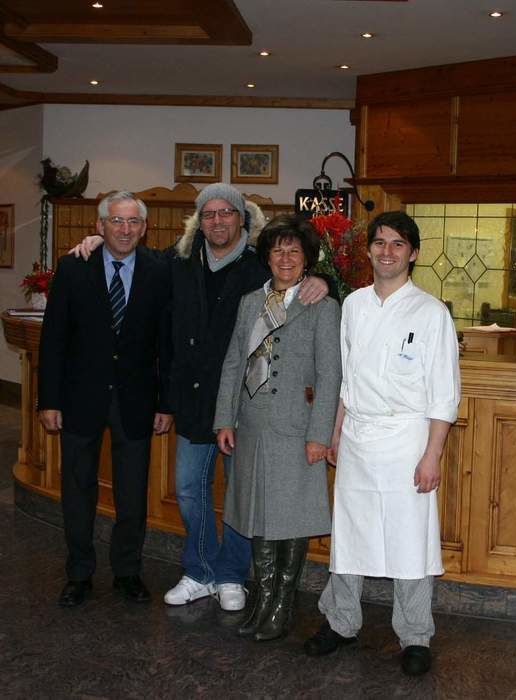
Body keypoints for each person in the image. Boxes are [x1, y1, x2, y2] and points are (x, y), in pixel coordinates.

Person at [71, 183, 330, 612]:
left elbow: (296, 278)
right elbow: (129, 252)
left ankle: (231, 576)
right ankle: (201, 570)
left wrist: (321, 280)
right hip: (192, 402)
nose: (217, 220)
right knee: (190, 490)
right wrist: (99, 242)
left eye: (226, 212)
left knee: (239, 495)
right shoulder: (177, 260)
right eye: (209, 213)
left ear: (241, 218)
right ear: (199, 220)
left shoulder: (260, 263)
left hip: (245, 405)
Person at [303, 211, 460, 677]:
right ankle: (341, 621)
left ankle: (415, 635)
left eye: (397, 244)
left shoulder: (431, 313)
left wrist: (432, 455)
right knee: (349, 536)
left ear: (413, 253)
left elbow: (444, 393)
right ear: (369, 250)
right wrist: (336, 432)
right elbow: (345, 379)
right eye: (379, 242)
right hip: (357, 436)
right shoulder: (353, 305)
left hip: (408, 439)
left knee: (411, 540)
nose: (386, 251)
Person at [39, 191, 172, 607]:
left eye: (133, 222)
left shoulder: (159, 270)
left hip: (136, 402)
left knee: (132, 495)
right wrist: (48, 400)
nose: (125, 229)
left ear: (144, 228)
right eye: (116, 221)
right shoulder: (73, 267)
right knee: (78, 491)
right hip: (80, 399)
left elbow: (166, 343)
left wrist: (166, 403)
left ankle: (128, 572)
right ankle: (79, 573)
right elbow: (54, 338)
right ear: (99, 226)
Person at [214, 214, 341, 641]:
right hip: (251, 425)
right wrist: (224, 419)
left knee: (291, 515)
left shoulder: (323, 306)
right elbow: (234, 362)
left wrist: (319, 435)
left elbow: (330, 375)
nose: (285, 258)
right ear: (267, 257)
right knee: (257, 514)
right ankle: (264, 599)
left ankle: (283, 606)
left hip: (296, 428)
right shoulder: (250, 302)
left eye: (294, 251)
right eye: (277, 250)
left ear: (307, 258)